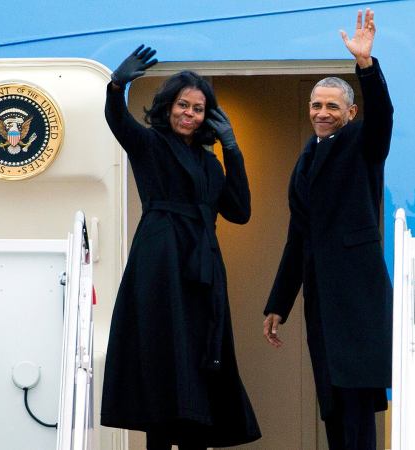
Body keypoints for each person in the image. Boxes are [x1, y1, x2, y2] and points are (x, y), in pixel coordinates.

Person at [100, 45, 261, 450]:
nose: (189, 114)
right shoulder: (151, 144)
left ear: (209, 116)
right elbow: (118, 121)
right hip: (161, 260)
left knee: (202, 358)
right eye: (182, 105)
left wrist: (233, 149)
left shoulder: (211, 164)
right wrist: (116, 85)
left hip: (203, 267)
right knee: (163, 353)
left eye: (198, 109)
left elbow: (240, 211)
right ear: (168, 107)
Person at [263, 9, 393, 450]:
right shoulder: (306, 158)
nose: (322, 112)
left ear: (350, 111)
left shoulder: (362, 141)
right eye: (316, 105)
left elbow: (382, 118)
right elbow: (298, 236)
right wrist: (279, 303)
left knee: (356, 405)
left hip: (356, 298)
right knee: (332, 404)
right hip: (321, 299)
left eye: (332, 106)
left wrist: (365, 66)